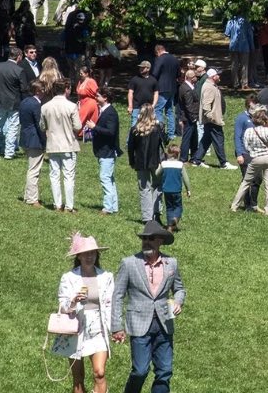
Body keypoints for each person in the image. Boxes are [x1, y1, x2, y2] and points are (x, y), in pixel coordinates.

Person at [110, 221, 185, 393]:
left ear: (160, 241)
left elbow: (179, 289)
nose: (146, 242)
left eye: (151, 239)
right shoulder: (129, 263)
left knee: (164, 371)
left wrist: (178, 301)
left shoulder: (171, 263)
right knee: (140, 371)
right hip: (138, 324)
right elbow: (118, 295)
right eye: (144, 238)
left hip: (164, 324)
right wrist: (116, 327)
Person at [56, 232, 115, 393]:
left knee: (100, 373)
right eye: (86, 253)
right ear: (79, 256)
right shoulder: (69, 277)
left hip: (98, 329)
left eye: (92, 253)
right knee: (78, 378)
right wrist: (74, 301)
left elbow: (111, 304)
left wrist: (115, 328)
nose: (89, 256)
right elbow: (62, 306)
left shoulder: (106, 277)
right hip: (76, 330)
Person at [42, 78, 82, 213]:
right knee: (68, 176)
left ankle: (57, 204)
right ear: (66, 89)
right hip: (68, 144)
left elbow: (42, 126)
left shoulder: (45, 106)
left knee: (54, 175)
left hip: (52, 144)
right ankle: (69, 206)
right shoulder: (71, 106)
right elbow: (78, 126)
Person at [231, 110, 268, 215]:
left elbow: (246, 146)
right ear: (264, 120)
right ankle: (267, 210)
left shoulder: (249, 131)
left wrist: (253, 151)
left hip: (256, 158)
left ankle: (234, 206)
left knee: (246, 182)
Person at [127, 109, 166, 224]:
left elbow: (130, 148)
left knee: (144, 189)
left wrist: (131, 161)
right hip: (156, 161)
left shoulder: (135, 129)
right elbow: (166, 141)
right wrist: (161, 127)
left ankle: (147, 217)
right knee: (158, 186)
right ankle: (156, 212)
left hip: (140, 162)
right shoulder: (157, 128)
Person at [0, 46, 25, 159]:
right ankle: (9, 153)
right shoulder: (19, 70)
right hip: (15, 102)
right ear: (18, 57)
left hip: (1, 101)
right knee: (13, 128)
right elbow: (23, 89)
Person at [92, 87, 121, 216]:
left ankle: (107, 207)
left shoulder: (110, 113)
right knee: (110, 178)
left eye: (98, 96)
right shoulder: (105, 111)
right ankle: (113, 206)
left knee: (105, 178)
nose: (96, 98)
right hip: (104, 150)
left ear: (105, 98)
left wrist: (95, 127)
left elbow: (111, 132)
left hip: (107, 151)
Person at [19, 80, 46, 207]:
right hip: (34, 140)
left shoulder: (24, 101)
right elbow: (40, 125)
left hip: (25, 138)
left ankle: (28, 196)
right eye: (43, 89)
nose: (44, 91)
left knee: (31, 168)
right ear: (37, 91)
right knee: (34, 170)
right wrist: (45, 142)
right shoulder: (36, 105)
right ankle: (32, 199)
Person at [198, 68, 233, 169]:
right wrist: (211, 117)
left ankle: (196, 160)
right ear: (213, 77)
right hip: (213, 119)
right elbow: (206, 104)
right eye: (218, 75)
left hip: (212, 119)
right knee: (219, 140)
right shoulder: (209, 87)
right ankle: (224, 163)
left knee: (206, 140)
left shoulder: (212, 85)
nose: (219, 76)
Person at [150, 45, 180, 140]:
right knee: (170, 111)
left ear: (158, 51)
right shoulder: (175, 59)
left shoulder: (160, 59)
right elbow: (178, 74)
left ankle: (160, 131)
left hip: (162, 88)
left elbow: (155, 73)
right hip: (172, 87)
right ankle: (171, 134)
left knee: (158, 109)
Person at [158, 145, 190, 232]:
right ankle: (175, 219)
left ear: (168, 154)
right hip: (177, 190)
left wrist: (159, 167)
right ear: (178, 154)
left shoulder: (164, 164)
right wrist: (188, 190)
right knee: (178, 206)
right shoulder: (180, 164)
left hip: (166, 190)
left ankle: (169, 227)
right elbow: (185, 178)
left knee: (169, 208)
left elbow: (157, 173)